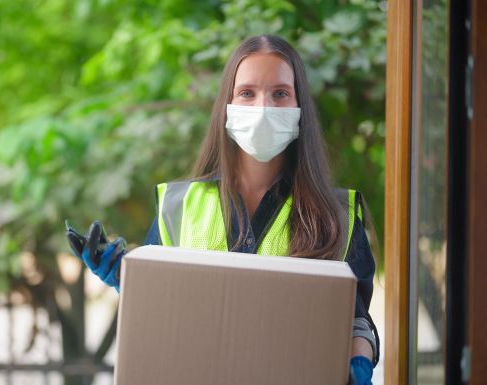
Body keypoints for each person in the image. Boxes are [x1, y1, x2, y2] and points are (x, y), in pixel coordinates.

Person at [66, 35, 379, 385]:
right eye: (247, 93)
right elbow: (166, 307)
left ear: (299, 105)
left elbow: (355, 322)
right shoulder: (178, 206)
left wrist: (358, 368)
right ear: (227, 105)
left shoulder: (337, 215)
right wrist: (127, 276)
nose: (264, 107)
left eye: (280, 93)